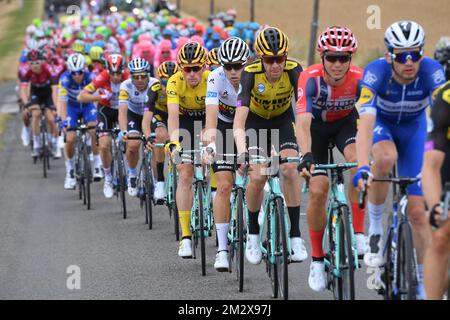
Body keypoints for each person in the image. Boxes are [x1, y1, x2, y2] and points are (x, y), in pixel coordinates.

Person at [353, 21, 446, 299]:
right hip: (383, 125)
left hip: (415, 129)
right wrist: (361, 167)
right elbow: (366, 126)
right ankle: (376, 231)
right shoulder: (374, 73)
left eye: (415, 54)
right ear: (388, 55)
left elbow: (440, 122)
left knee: (419, 213)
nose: (409, 62)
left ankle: (423, 281)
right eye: (401, 55)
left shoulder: (433, 72)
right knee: (384, 157)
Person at [296, 26, 364, 292]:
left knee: (359, 163)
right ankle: (316, 259)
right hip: (316, 130)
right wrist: (307, 155)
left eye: (343, 58)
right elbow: (302, 123)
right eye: (331, 58)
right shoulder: (309, 78)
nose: (337, 64)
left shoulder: (360, 78)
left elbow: (372, 117)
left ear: (351, 58)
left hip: (346, 124)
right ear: (321, 56)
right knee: (318, 190)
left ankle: (358, 233)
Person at [233, 27, 307, 265]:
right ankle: (253, 234)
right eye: (269, 60)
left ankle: (295, 235)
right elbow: (239, 120)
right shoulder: (250, 73)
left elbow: (305, 113)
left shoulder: (294, 70)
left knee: (289, 169)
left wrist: (307, 152)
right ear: (260, 59)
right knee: (257, 176)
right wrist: (243, 152)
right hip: (255, 124)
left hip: (283, 121)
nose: (276, 65)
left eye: (280, 59)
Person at [203, 37, 250, 271]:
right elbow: (211, 114)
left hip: (251, 126)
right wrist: (210, 143)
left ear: (247, 63)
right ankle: (222, 250)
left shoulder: (252, 76)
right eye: (228, 66)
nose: (233, 72)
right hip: (222, 128)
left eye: (237, 66)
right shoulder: (214, 77)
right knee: (223, 185)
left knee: (261, 175)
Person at [166, 42, 210, 258]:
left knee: (215, 158)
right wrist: (174, 143)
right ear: (180, 68)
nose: (192, 73)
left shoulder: (212, 79)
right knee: (185, 172)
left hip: (206, 120)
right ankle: (185, 237)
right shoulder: (174, 82)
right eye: (187, 69)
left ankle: (212, 192)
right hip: (184, 122)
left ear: (204, 66)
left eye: (197, 68)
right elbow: (173, 117)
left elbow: (217, 115)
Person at [78, 54, 130, 198]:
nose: (115, 77)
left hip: (123, 110)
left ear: (123, 70)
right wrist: (100, 97)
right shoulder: (102, 77)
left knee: (131, 142)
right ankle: (107, 177)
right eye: (112, 73)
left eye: (118, 73)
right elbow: (82, 96)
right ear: (107, 71)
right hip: (105, 111)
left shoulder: (129, 76)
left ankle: (127, 171)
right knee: (104, 144)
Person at [421, 80, 450, 300]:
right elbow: (430, 166)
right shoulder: (446, 96)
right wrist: (435, 208)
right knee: (441, 235)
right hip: (446, 164)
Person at [58, 53, 100, 189]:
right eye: (74, 73)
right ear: (70, 71)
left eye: (80, 72)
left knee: (94, 129)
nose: (77, 75)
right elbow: (62, 103)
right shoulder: (64, 79)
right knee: (70, 138)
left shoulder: (91, 77)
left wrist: (98, 117)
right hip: (72, 107)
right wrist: (64, 122)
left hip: (87, 106)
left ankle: (97, 165)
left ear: (84, 70)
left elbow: (96, 100)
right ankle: (69, 171)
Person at [118, 58, 158, 196]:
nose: (140, 80)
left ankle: (156, 179)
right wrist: (123, 131)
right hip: (133, 116)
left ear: (148, 75)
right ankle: (133, 173)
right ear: (131, 77)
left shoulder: (155, 84)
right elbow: (122, 111)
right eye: (136, 77)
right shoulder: (125, 86)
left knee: (155, 145)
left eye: (143, 76)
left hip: (151, 115)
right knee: (133, 144)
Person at [142, 61, 180, 202]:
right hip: (159, 115)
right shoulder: (154, 89)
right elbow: (146, 119)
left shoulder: (182, 86)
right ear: (159, 80)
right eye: (164, 82)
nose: (166, 86)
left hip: (175, 114)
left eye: (170, 82)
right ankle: (160, 182)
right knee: (160, 136)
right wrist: (147, 137)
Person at [19, 49, 59, 158]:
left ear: (42, 62)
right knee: (35, 114)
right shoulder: (25, 70)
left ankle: (55, 143)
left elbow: (55, 89)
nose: (34, 66)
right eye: (31, 63)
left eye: (37, 62)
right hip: (35, 92)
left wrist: (55, 106)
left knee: (51, 119)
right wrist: (27, 103)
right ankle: (36, 144)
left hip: (48, 93)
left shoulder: (49, 69)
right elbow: (23, 89)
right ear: (28, 63)